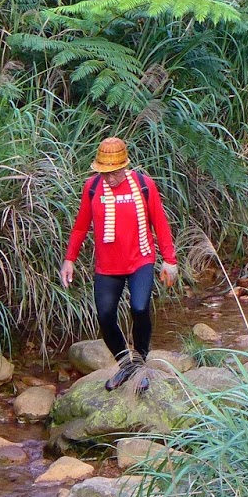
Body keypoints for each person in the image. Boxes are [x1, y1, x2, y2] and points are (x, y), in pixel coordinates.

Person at [60, 137, 177, 391]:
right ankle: (126, 365)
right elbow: (80, 227)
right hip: (108, 266)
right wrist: (69, 259)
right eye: (104, 173)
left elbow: (160, 222)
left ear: (125, 166)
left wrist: (170, 261)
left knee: (139, 308)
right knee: (105, 315)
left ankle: (140, 363)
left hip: (140, 260)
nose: (109, 178)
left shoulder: (144, 185)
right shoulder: (93, 188)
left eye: (114, 173)